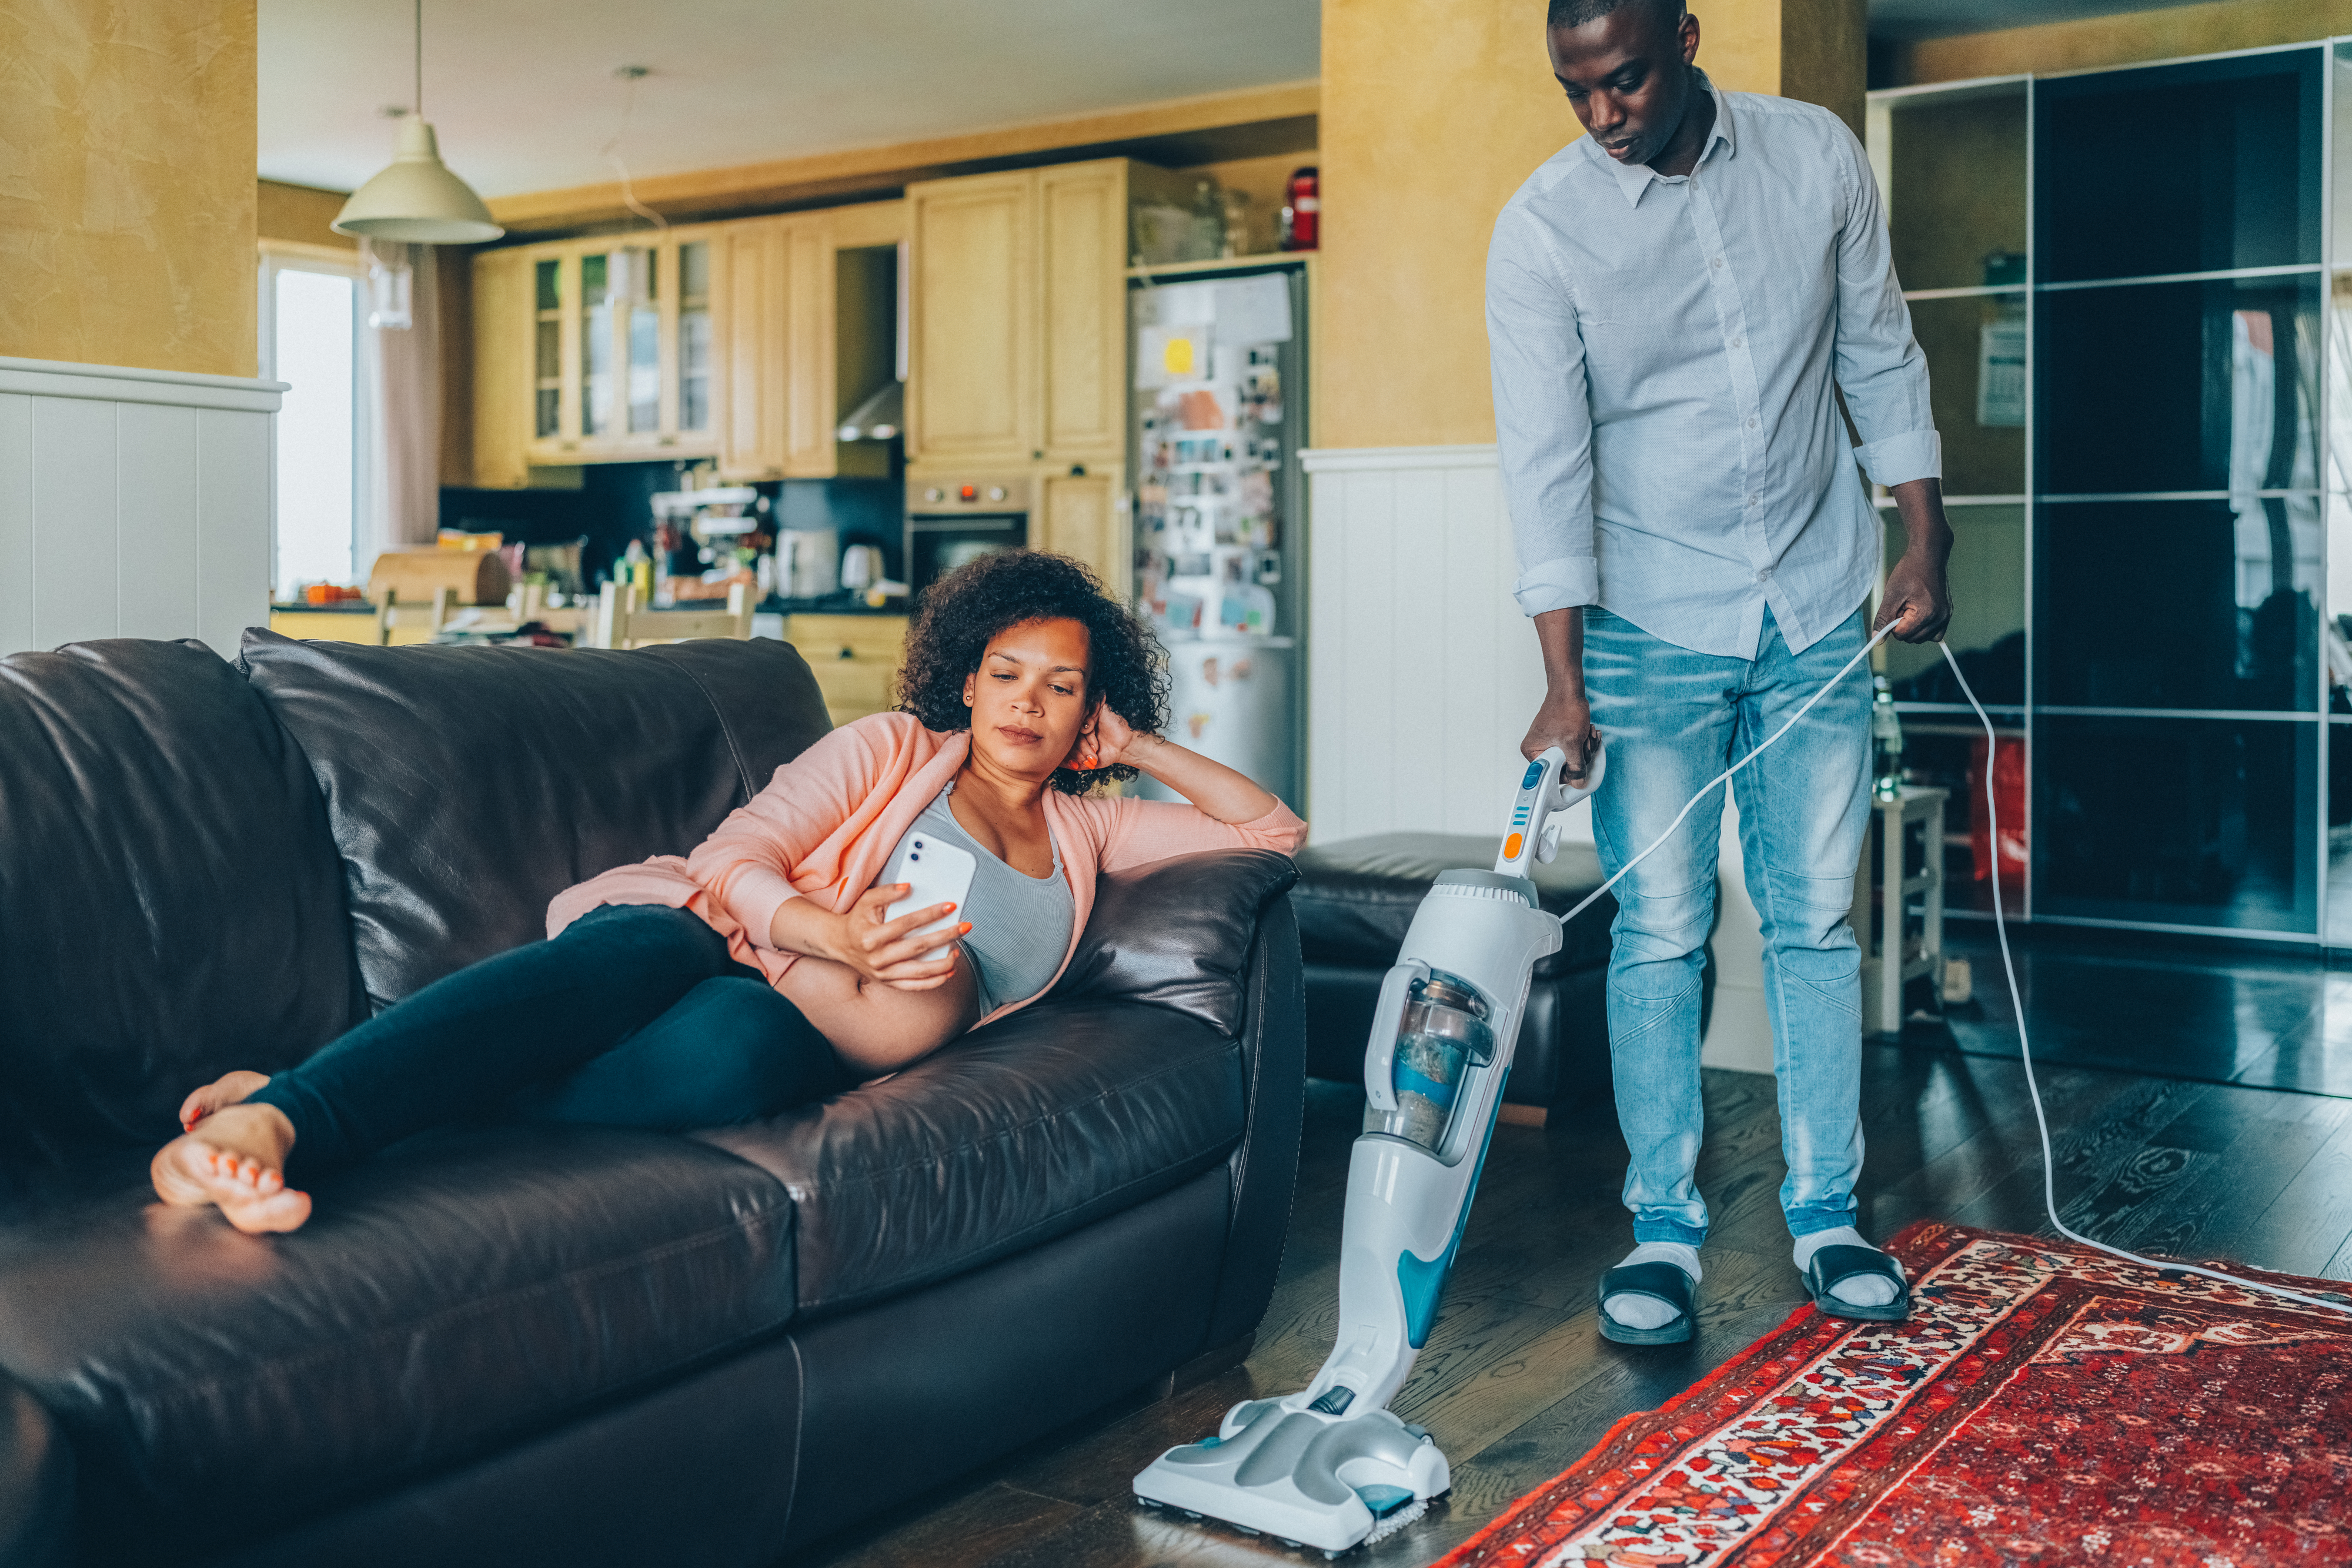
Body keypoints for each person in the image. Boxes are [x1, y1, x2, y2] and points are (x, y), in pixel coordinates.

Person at [150, 550, 1307, 1235]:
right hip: (705, 934)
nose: (1027, 702)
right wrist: (835, 932)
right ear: (966, 678)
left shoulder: (1091, 824)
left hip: (786, 1026)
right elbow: (730, 859)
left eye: (1062, 688)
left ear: (1086, 714)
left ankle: (328, 1091)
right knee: (651, 952)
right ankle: (281, 1118)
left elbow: (1272, 831)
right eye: (1006, 674)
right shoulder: (893, 747)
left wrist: (1142, 747)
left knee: (740, 1056)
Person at [1487, 0, 1952, 1343]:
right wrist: (1561, 676)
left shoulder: (1813, 158)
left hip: (1812, 596)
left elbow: (1876, 347)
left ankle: (1824, 1212)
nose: (1600, 113)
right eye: (1575, 91)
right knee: (1661, 926)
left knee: (1813, 915)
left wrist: (1923, 535)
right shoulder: (1542, 229)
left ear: (1685, 39)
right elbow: (1545, 461)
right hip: (1642, 614)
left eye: (1622, 80)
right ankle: (1663, 1229)